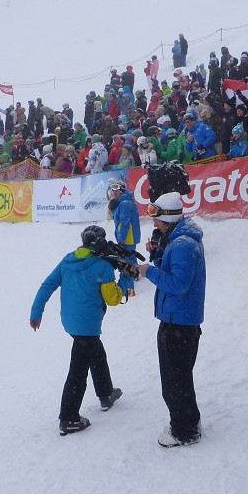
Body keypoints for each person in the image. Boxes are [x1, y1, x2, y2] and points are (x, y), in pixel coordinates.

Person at [29, 225, 127, 436]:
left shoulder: (68, 260)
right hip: (88, 325)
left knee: (96, 354)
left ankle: (106, 393)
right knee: (78, 371)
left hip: (71, 322)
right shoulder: (103, 267)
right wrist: (125, 280)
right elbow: (113, 299)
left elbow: (48, 285)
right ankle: (69, 418)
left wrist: (36, 312)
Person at [138, 191, 206, 447]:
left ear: (169, 218)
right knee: (180, 376)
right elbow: (173, 271)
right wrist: (157, 253)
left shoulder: (183, 245)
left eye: (157, 220)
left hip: (179, 321)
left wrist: (149, 272)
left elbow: (178, 284)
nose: (155, 225)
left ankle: (184, 430)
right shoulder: (178, 242)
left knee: (174, 381)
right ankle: (188, 421)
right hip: (179, 319)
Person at [106, 178, 140, 294]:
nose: (113, 193)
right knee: (130, 256)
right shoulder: (122, 202)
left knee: (126, 260)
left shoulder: (125, 204)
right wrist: (112, 208)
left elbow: (124, 223)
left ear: (121, 191)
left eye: (116, 190)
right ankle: (136, 273)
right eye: (112, 190)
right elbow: (115, 218)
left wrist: (121, 240)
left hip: (127, 238)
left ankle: (130, 288)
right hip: (127, 237)